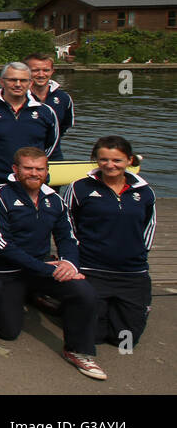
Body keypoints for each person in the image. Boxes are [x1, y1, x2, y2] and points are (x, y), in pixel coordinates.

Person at [0, 147, 104, 380]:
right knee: (8, 332)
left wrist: (69, 265)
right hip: (8, 271)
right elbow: (2, 245)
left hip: (41, 268)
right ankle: (24, 298)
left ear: (47, 171)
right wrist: (47, 270)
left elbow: (67, 237)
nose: (34, 173)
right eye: (28, 168)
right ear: (15, 170)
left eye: (40, 169)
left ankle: (78, 351)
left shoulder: (55, 200)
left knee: (84, 292)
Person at [63, 136, 155, 347]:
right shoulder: (79, 188)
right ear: (96, 159)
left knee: (125, 341)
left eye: (117, 160)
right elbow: (68, 226)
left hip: (132, 271)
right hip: (92, 267)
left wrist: (138, 255)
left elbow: (149, 227)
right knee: (93, 337)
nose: (110, 165)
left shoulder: (145, 191)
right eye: (104, 159)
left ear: (129, 160)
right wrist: (73, 259)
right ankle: (68, 305)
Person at [0, 61, 59, 201]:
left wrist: (30, 167)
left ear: (30, 83)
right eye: (12, 80)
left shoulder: (46, 112)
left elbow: (50, 145)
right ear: (2, 82)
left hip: (32, 184)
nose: (18, 84)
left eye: (23, 80)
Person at [25, 52, 74, 160]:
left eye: (46, 70)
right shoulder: (17, 97)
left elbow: (64, 126)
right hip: (22, 159)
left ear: (52, 71)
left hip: (54, 157)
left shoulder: (64, 98)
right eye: (35, 70)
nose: (41, 74)